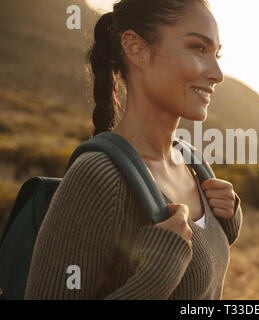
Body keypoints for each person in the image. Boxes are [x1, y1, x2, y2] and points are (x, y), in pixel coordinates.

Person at [24, 0, 243, 300]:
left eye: (216, 54)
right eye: (197, 48)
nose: (217, 73)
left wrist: (226, 220)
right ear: (135, 48)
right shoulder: (98, 178)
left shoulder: (193, 163)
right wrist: (156, 275)